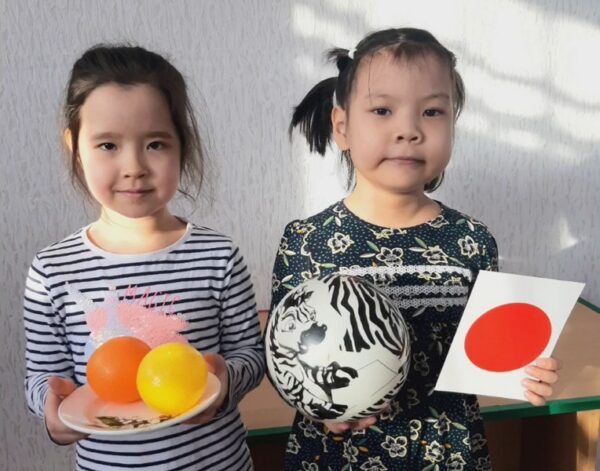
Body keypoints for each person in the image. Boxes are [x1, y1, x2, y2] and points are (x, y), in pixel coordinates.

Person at [270, 27, 559, 470]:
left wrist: (528, 371)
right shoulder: (307, 241)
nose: (408, 130)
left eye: (432, 112)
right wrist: (321, 410)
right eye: (382, 110)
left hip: (447, 453)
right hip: (337, 456)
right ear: (342, 127)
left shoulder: (471, 240)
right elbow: (282, 357)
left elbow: (488, 349)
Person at [24, 44, 264, 471]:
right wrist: (51, 408)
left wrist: (225, 380)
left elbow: (251, 354)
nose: (133, 166)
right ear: (75, 148)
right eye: (107, 145)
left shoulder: (218, 256)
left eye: (155, 144)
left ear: (182, 146)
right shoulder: (52, 271)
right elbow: (42, 376)